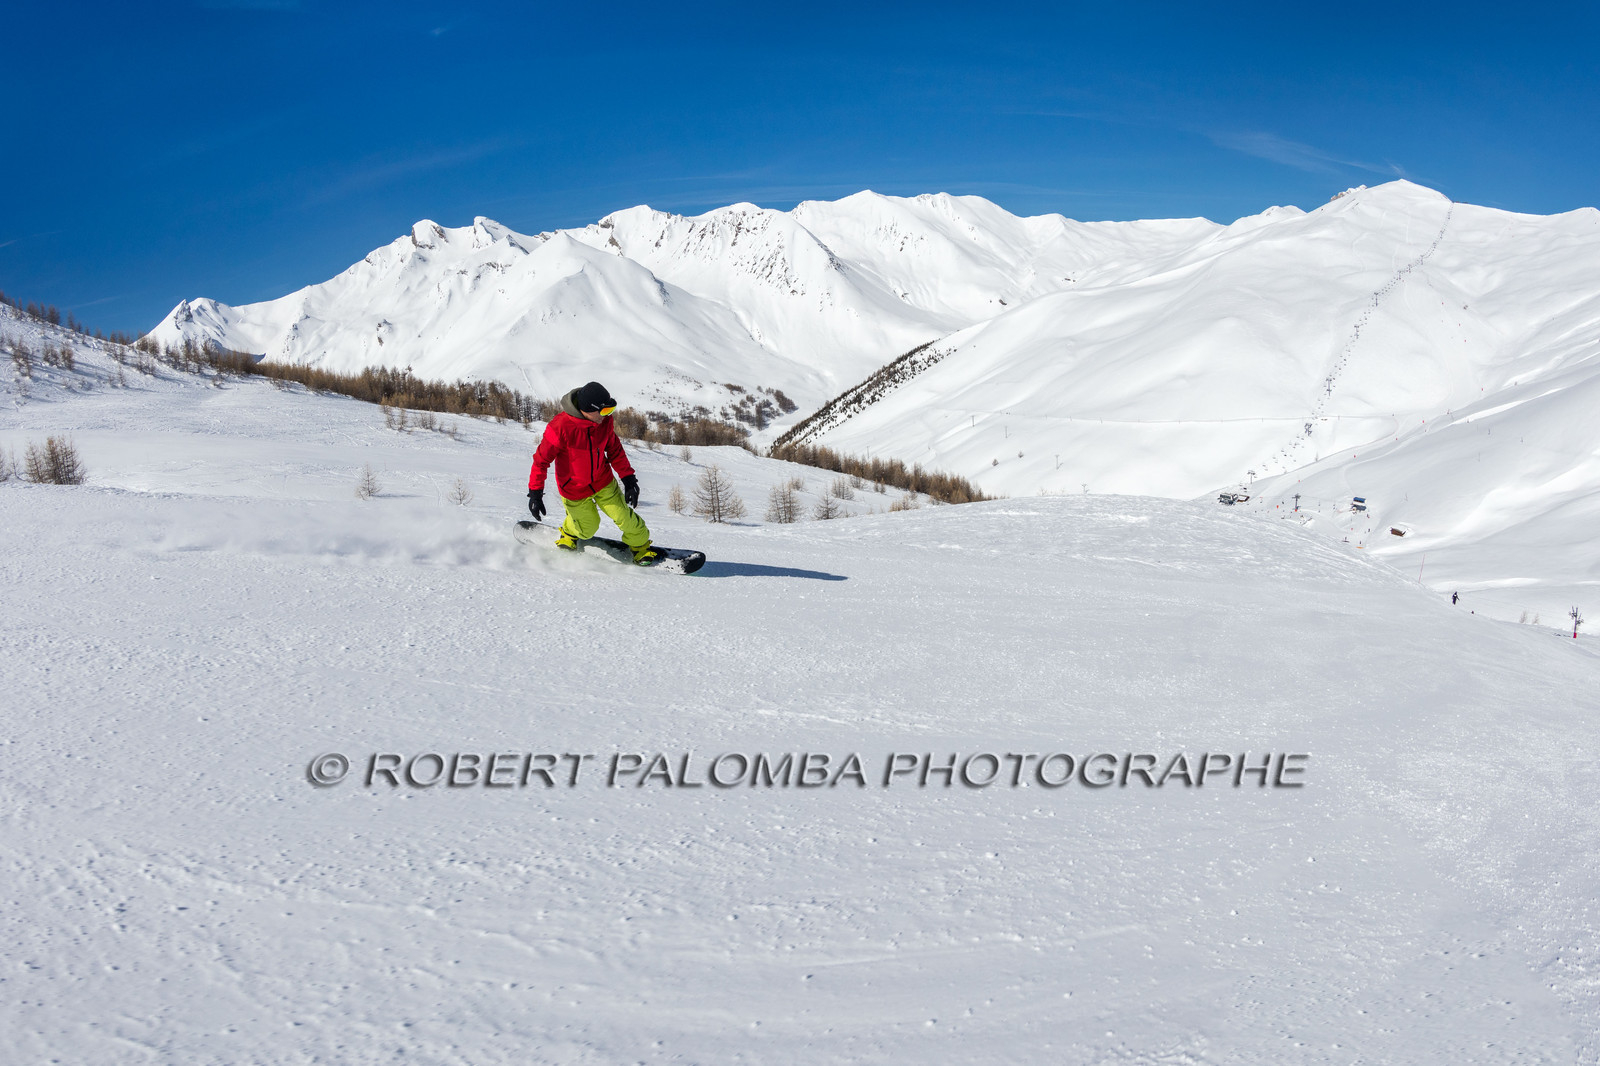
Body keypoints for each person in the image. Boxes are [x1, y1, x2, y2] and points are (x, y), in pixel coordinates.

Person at [527, 381, 659, 565]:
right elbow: (541, 461)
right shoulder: (560, 428)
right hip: (574, 490)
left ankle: (641, 547)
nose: (607, 416)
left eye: (610, 411)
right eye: (604, 411)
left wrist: (628, 478)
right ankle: (568, 532)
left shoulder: (603, 423)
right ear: (588, 409)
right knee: (587, 528)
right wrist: (535, 492)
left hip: (603, 482)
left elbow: (614, 449)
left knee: (625, 517)